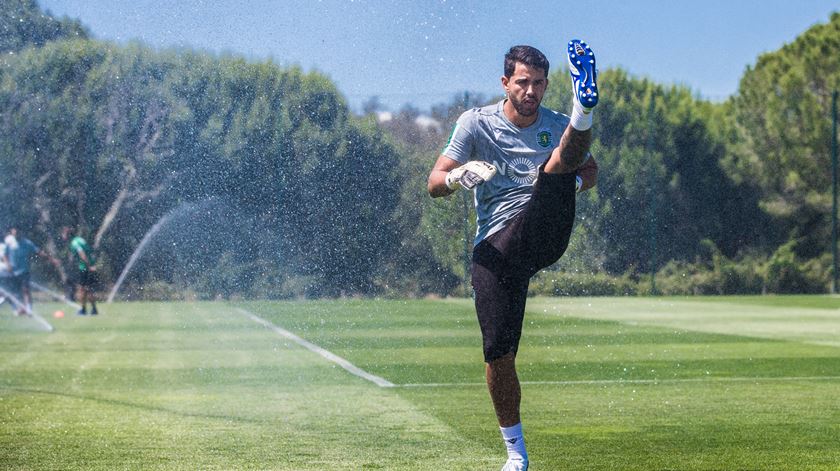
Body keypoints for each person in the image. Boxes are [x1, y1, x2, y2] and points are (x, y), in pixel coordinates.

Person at [427, 41, 600, 471]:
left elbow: (590, 170)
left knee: (555, 169)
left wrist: (568, 189)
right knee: (498, 353)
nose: (531, 92)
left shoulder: (555, 124)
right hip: (497, 248)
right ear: (505, 83)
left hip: (544, 227)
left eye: (539, 84)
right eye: (523, 83)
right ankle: (516, 455)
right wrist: (457, 178)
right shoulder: (475, 123)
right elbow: (433, 182)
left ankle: (586, 108)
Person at [4, 227, 54, 315]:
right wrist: (8, 265)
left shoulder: (26, 243)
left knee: (25, 290)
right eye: (14, 231)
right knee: (16, 292)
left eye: (17, 231)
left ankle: (29, 308)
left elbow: (38, 251)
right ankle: (20, 309)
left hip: (24, 270)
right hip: (12, 272)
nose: (16, 232)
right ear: (11, 232)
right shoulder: (9, 243)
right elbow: (5, 255)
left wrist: (51, 259)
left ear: (20, 232)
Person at [60, 227, 99, 315]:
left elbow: (82, 254)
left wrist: (89, 266)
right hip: (89, 266)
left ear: (67, 235)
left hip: (84, 268)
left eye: (63, 234)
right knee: (88, 289)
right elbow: (89, 251)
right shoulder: (79, 239)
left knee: (81, 289)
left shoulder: (74, 243)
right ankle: (93, 309)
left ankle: (83, 310)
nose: (62, 237)